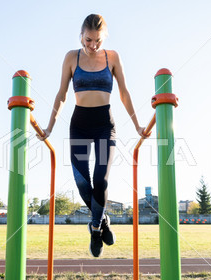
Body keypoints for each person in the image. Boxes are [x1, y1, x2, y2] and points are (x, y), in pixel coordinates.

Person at [37, 14, 149, 257]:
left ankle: (96, 228)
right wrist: (49, 128)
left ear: (104, 37)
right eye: (88, 40)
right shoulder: (71, 57)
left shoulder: (113, 57)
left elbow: (124, 94)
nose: (92, 45)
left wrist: (138, 126)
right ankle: (104, 219)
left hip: (104, 126)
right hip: (79, 125)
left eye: (97, 40)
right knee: (81, 183)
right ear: (81, 35)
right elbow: (61, 95)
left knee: (101, 181)